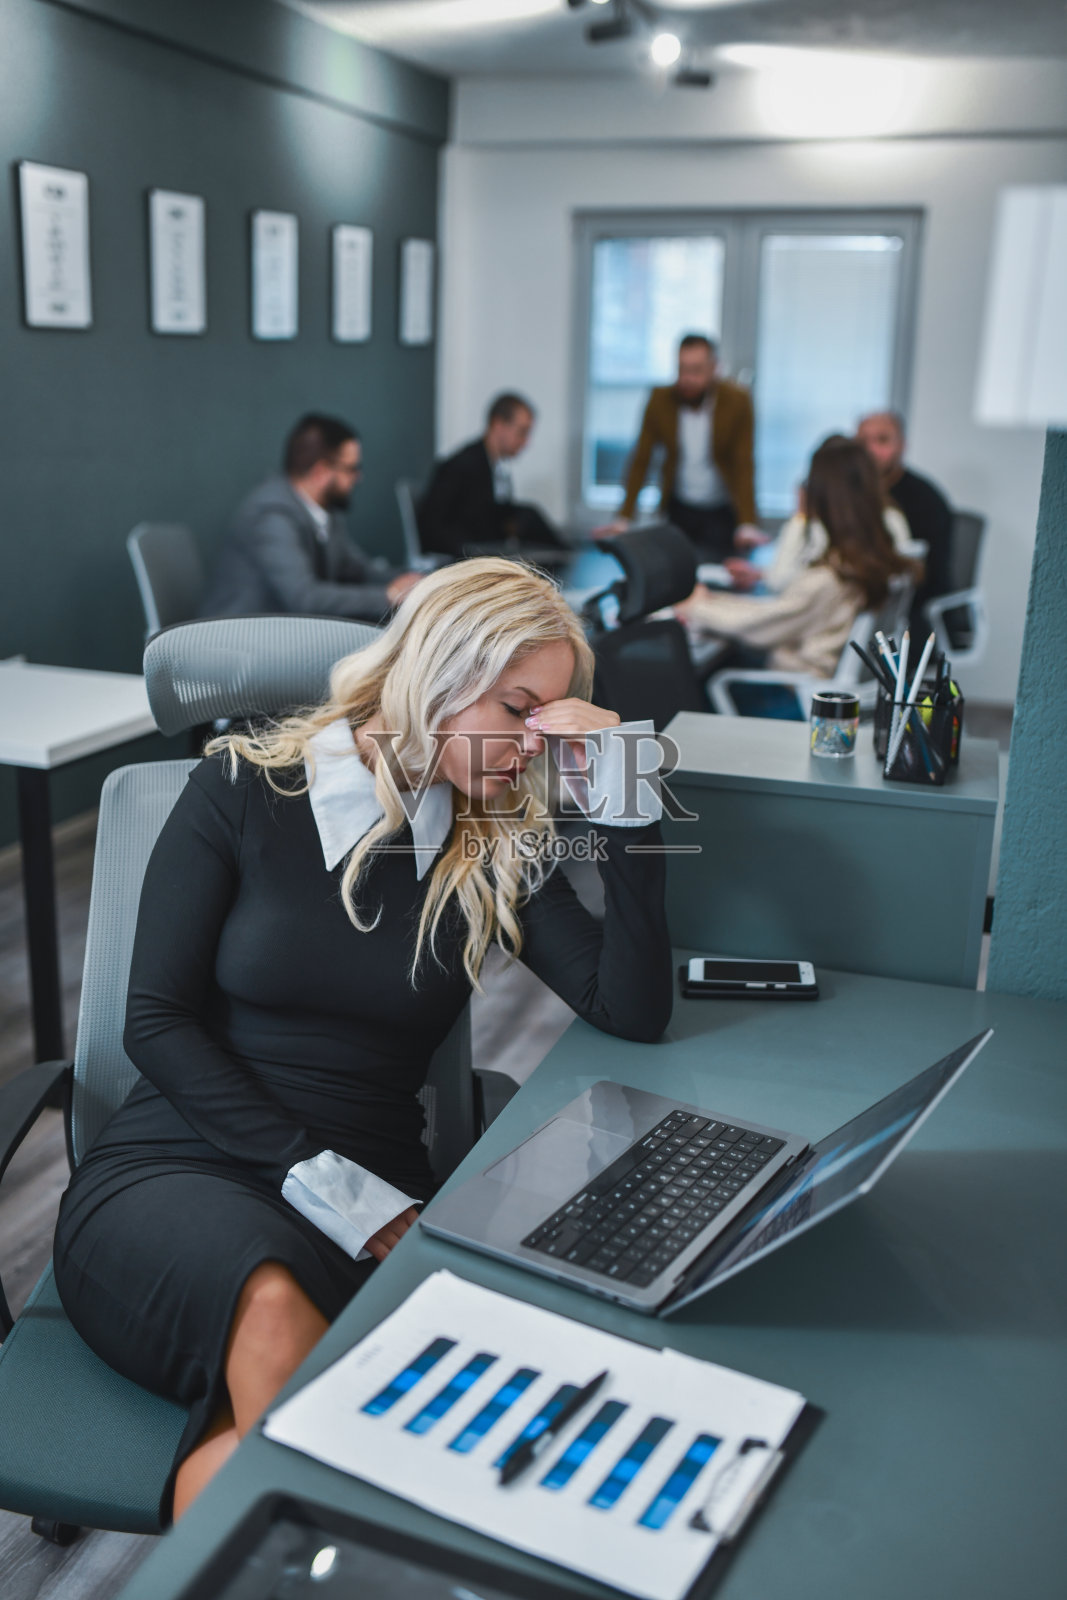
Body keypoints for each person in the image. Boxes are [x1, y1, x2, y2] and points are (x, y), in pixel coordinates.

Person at [52, 559, 672, 1519]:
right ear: (438, 672)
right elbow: (155, 1023)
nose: (531, 744)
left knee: (300, 1434)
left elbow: (629, 1006)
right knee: (266, 1313)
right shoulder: (241, 791)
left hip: (376, 1191)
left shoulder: (496, 834)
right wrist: (335, 1192)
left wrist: (629, 795)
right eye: (518, 709)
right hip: (185, 1164)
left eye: (551, 719)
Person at [676, 435, 918, 686]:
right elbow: (784, 609)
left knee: (696, 680)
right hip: (812, 679)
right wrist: (712, 601)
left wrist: (693, 607)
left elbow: (762, 625)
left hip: (795, 691)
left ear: (820, 497)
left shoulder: (831, 576)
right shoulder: (863, 561)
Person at [201, 414, 422, 622]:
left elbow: (360, 570)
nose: (358, 477)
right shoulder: (271, 514)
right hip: (238, 641)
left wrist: (419, 581)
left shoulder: (325, 513)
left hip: (283, 634)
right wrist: (388, 595)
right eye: (352, 469)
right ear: (321, 473)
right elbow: (304, 597)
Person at [602, 334, 762, 562]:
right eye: (682, 369)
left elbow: (744, 463)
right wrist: (625, 516)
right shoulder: (660, 399)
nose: (687, 379)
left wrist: (747, 523)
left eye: (696, 370)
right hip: (678, 507)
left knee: (717, 578)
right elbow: (642, 458)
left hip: (722, 510)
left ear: (714, 368)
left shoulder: (737, 401)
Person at [417, 393, 567, 560]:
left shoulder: (497, 468)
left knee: (527, 516)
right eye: (522, 432)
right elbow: (432, 525)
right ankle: (565, 554)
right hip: (464, 561)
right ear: (498, 424)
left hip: (484, 556)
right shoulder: (461, 465)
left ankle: (564, 553)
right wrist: (475, 554)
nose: (526, 442)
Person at [857, 410, 954, 630]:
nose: (871, 450)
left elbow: (928, 576)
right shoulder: (851, 495)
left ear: (901, 444)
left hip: (911, 610)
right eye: (863, 442)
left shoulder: (925, 500)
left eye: (882, 440)